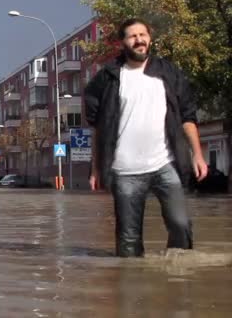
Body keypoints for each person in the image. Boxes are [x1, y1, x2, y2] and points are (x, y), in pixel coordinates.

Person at [84, 18, 208, 257]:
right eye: (132, 36)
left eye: (143, 35)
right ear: (123, 42)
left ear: (150, 38)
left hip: (164, 164)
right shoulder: (108, 77)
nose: (139, 40)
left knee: (181, 226)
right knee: (128, 243)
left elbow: (188, 117)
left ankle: (176, 283)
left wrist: (198, 155)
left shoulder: (168, 72)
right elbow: (98, 127)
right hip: (125, 171)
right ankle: (133, 288)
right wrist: (96, 169)